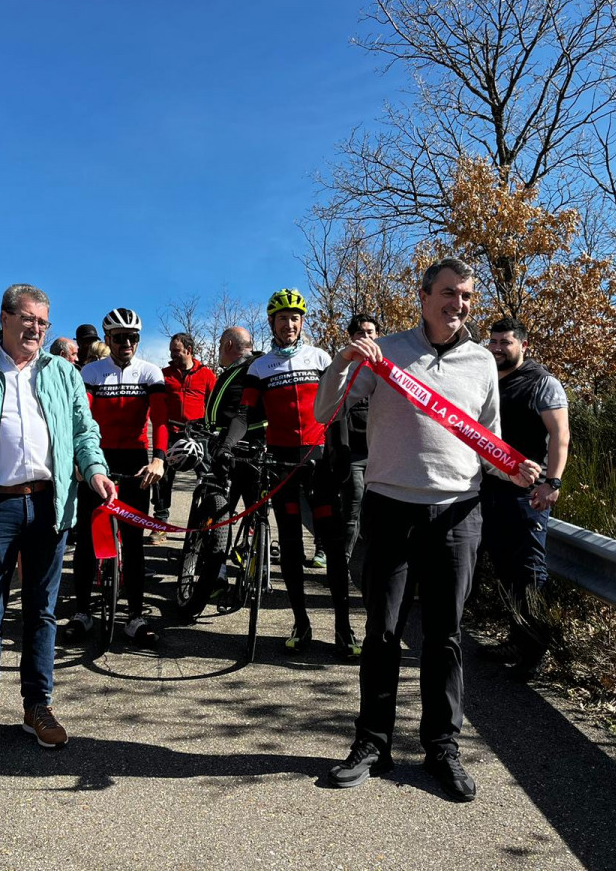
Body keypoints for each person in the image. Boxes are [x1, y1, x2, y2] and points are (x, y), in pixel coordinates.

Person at [313, 258, 540, 801]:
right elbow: (325, 409)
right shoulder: (386, 350)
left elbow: (486, 442)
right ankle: (372, 743)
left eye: (465, 296)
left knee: (443, 637)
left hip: (458, 515)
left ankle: (442, 746)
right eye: (447, 294)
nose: (458, 305)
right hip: (390, 509)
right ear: (423, 296)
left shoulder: (483, 363)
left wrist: (514, 466)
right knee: (383, 632)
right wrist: (345, 360)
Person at [0, 283, 113, 760]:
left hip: (50, 506)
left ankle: (38, 706)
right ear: (6, 319)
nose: (36, 329)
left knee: (42, 612)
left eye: (43, 322)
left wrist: (95, 470)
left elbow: (83, 430)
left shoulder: (62, 373)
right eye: (29, 319)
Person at [219, 289, 359, 659]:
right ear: (272, 324)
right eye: (283, 318)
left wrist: (340, 454)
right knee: (292, 547)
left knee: (330, 546)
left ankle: (344, 627)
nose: (290, 324)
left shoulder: (320, 357)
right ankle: (301, 622)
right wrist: (227, 445)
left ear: (302, 321)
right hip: (281, 465)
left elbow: (338, 409)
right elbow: (245, 414)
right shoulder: (259, 367)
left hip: (319, 464)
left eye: (295, 318)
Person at [66, 307, 170, 646]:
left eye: (133, 337)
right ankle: (82, 612)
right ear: (107, 339)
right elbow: (81, 417)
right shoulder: (92, 371)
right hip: (97, 459)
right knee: (86, 538)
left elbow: (161, 419)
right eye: (120, 337)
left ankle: (135, 616)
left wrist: (158, 460)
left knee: (135, 541)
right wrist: (80, 461)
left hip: (137, 462)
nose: (127, 343)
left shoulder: (149, 371)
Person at [479, 317, 570, 680]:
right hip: (491, 488)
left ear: (523, 345)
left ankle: (534, 652)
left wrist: (553, 483)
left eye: (506, 342)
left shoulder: (541, 383)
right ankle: (515, 639)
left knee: (529, 572)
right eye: (494, 341)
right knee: (504, 570)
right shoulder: (488, 380)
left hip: (528, 494)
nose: (498, 347)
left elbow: (560, 435)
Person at [176, 326, 265, 618]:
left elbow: (242, 411)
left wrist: (222, 440)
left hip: (236, 451)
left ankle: (224, 569)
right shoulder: (244, 368)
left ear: (228, 344)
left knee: (223, 508)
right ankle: (247, 563)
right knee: (247, 510)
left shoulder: (248, 369)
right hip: (238, 447)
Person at [151, 332, 217, 542]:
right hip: (171, 433)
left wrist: (212, 429)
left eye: (176, 351)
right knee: (162, 479)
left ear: (188, 350)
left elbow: (214, 404)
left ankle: (206, 522)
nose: (173, 355)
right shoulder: (164, 374)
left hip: (199, 435)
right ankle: (160, 523)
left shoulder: (206, 374)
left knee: (207, 478)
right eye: (171, 351)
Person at [326, 313, 379, 573]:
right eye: (360, 333)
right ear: (352, 338)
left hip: (382, 455)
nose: (366, 337)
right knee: (353, 510)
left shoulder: (387, 367)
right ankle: (340, 567)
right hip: (353, 453)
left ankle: (374, 570)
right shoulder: (342, 369)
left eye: (370, 332)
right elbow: (329, 411)